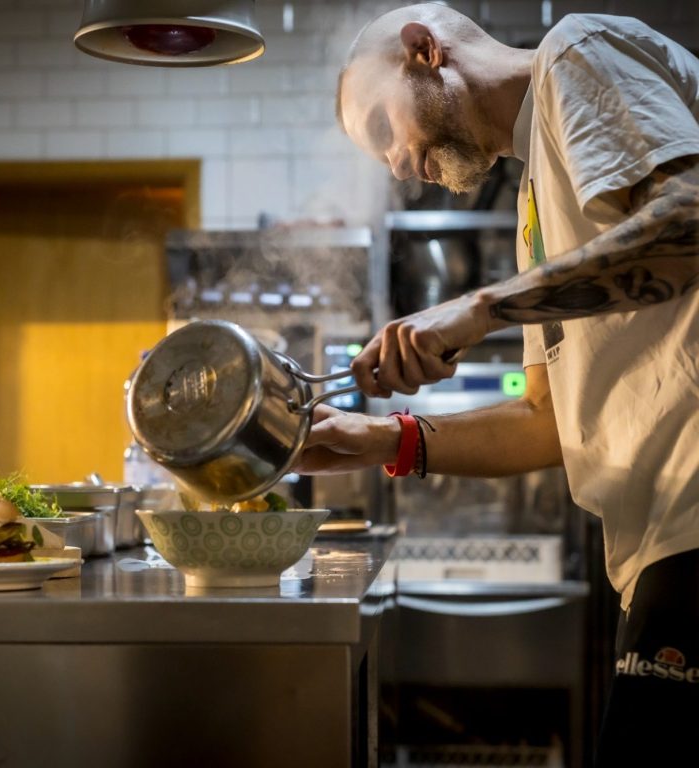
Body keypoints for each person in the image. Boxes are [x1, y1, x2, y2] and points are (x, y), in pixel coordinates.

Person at [294, 4, 699, 766]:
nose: (398, 165)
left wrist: (480, 309)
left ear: (424, 51)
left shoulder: (575, 51)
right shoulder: (534, 203)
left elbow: (691, 222)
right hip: (656, 545)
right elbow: (548, 421)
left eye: (385, 134)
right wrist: (383, 438)